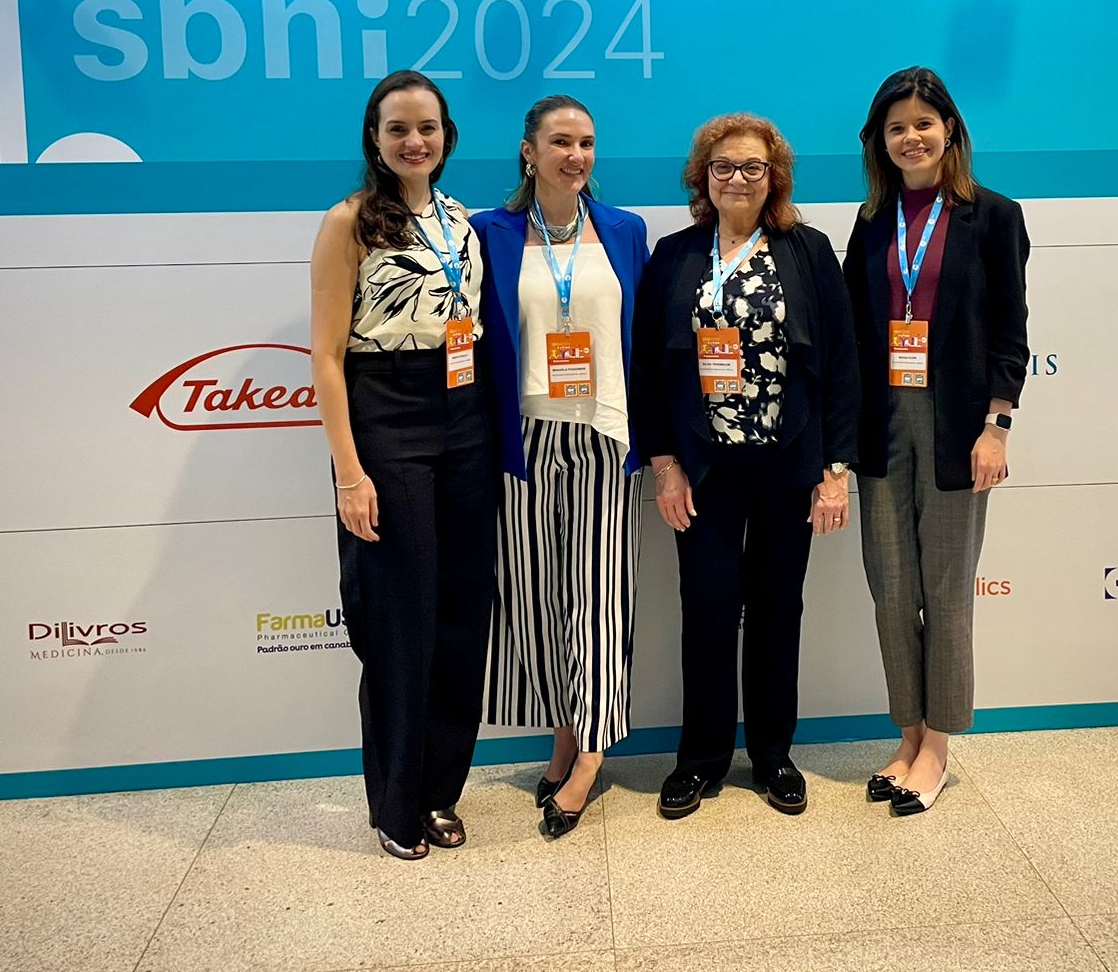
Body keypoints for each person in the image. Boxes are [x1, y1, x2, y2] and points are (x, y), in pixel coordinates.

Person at [631, 112, 858, 820]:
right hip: (703, 469)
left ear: (774, 178)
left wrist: (835, 470)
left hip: (790, 465)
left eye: (752, 167)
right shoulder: (673, 255)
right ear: (703, 177)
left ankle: (772, 754)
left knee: (776, 611)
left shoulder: (808, 250)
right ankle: (700, 759)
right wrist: (664, 463)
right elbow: (649, 371)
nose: (737, 178)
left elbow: (843, 367)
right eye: (723, 167)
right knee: (706, 610)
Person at [309, 70, 496, 859]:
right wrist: (351, 474)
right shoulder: (349, 221)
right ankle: (395, 805)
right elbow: (324, 357)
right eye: (397, 129)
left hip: (465, 410)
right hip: (385, 414)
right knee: (400, 619)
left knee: (461, 614)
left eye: (427, 127)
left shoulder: (462, 220)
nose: (414, 141)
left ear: (447, 135)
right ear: (375, 139)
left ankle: (440, 792)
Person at [843, 67, 1030, 816]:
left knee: (947, 592)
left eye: (924, 123)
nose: (911, 137)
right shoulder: (870, 221)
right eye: (896, 127)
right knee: (891, 588)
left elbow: (1012, 334)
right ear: (879, 143)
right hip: (881, 419)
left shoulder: (994, 216)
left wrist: (998, 424)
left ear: (949, 129)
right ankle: (908, 732)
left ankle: (939, 748)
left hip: (957, 425)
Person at [472, 95, 649, 839]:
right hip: (525, 441)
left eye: (586, 142)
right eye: (560, 142)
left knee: (600, 602)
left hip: (606, 437)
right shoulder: (490, 233)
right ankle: (563, 736)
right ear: (528, 151)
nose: (575, 155)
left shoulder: (626, 231)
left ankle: (590, 758)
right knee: (540, 603)